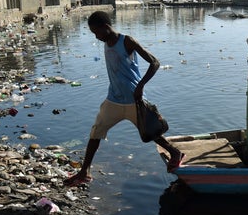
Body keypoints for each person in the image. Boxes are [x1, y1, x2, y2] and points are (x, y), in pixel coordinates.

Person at [64, 11, 183, 187]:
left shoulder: (127, 41)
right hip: (113, 100)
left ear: (106, 27)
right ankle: (84, 172)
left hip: (134, 100)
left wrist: (141, 86)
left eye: (97, 33)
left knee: (151, 133)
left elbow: (155, 63)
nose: (96, 37)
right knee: (95, 133)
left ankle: (175, 153)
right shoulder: (106, 42)